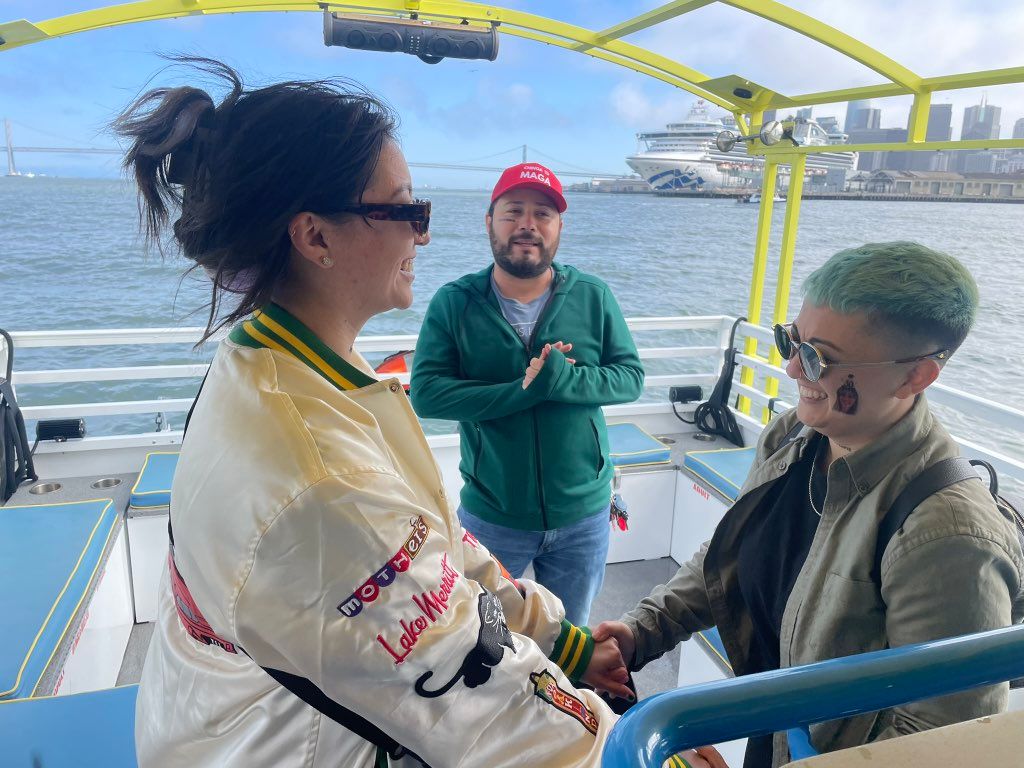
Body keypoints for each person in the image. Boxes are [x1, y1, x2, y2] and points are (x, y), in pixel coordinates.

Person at [115, 58, 720, 768]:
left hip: (254, 707)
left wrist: (565, 639)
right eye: (405, 210)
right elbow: (483, 696)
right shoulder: (318, 479)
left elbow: (434, 549)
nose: (421, 235)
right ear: (314, 236)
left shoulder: (288, 367)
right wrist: (640, 751)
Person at [585, 242, 1024, 767]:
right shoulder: (794, 436)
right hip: (775, 727)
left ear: (916, 376)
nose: (793, 369)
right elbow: (731, 550)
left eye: (819, 357)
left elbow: (940, 745)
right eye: (789, 341)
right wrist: (642, 631)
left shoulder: (946, 535)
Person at [409, 162, 644, 627]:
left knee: (571, 636)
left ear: (559, 227)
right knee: (480, 638)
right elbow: (429, 395)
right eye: (513, 211)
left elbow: (629, 377)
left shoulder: (593, 296)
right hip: (492, 515)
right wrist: (521, 392)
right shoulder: (454, 302)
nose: (527, 225)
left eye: (543, 214)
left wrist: (564, 382)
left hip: (584, 514)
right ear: (489, 221)